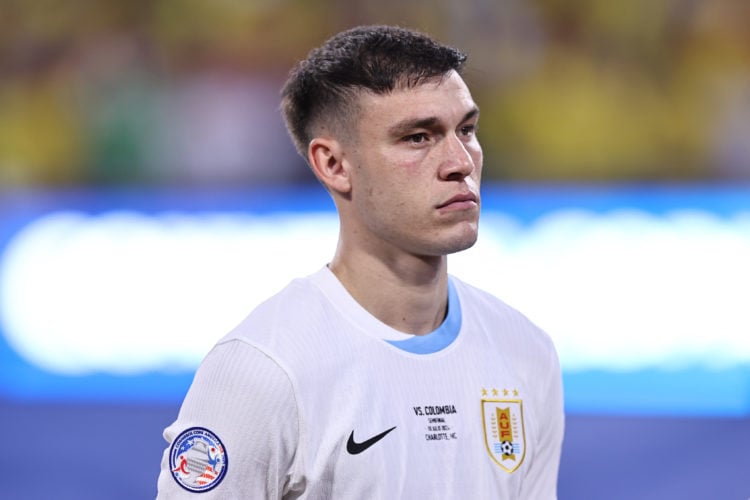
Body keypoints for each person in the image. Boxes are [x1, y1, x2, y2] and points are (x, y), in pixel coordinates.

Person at [157, 25, 564, 499]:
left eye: (467, 130)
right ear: (333, 165)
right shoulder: (263, 370)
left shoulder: (526, 352)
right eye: (417, 137)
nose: (460, 161)